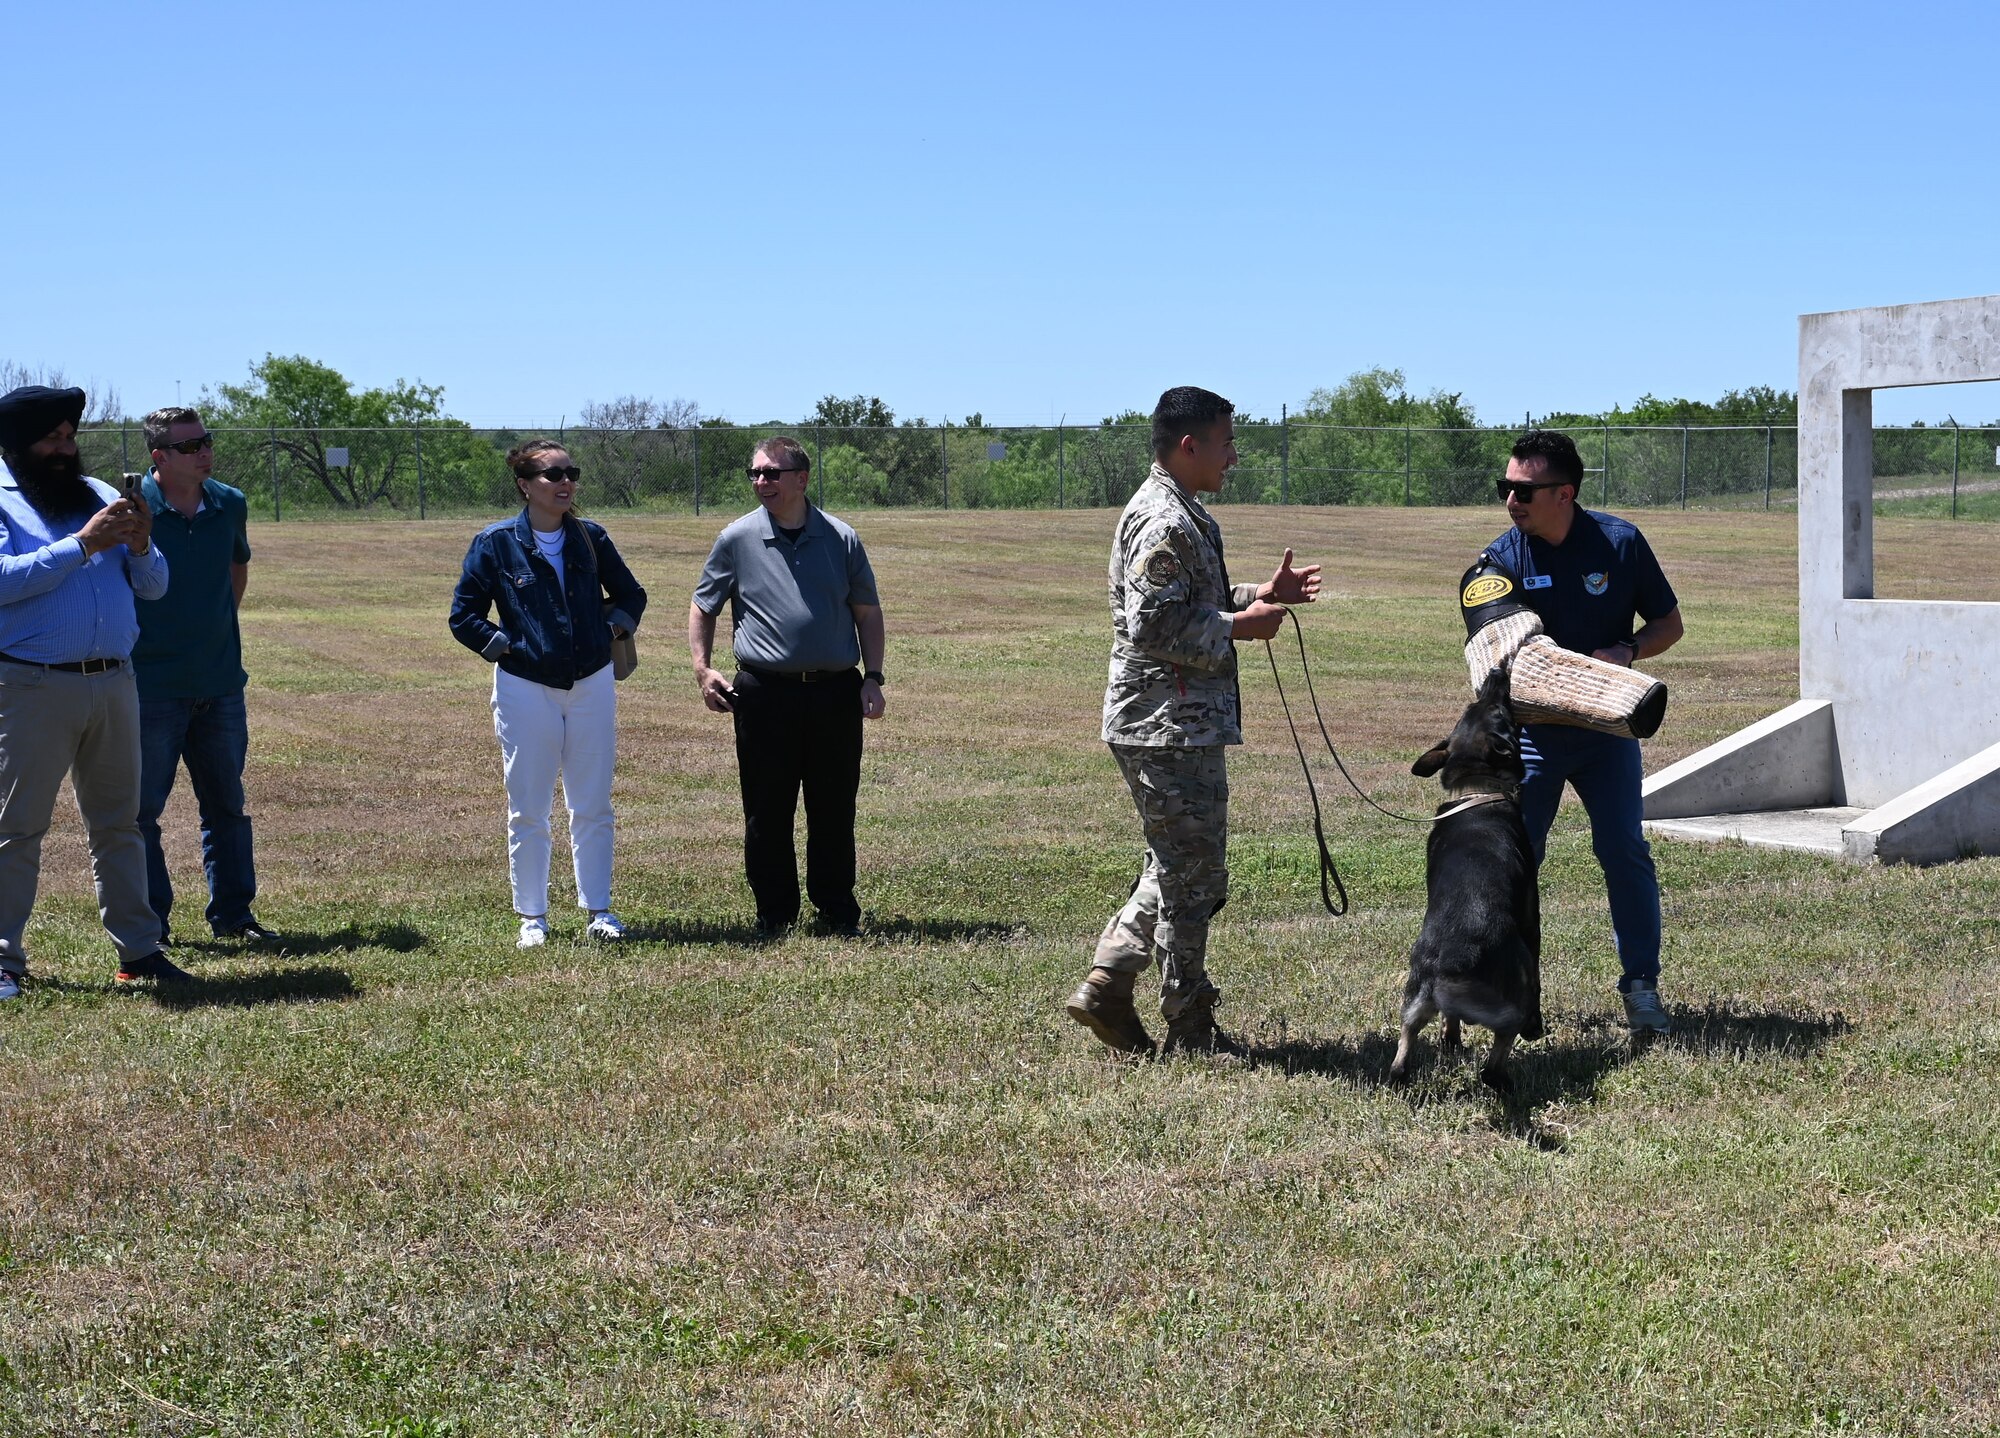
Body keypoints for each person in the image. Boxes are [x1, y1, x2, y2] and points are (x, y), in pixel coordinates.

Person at [1067, 386, 1322, 1058]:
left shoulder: (1182, 511)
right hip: (1166, 723)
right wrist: (1240, 627)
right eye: (1226, 441)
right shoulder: (1165, 521)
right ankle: (1189, 1023)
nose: (1233, 456)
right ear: (1190, 445)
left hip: (1173, 720)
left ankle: (1109, 984)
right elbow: (1154, 623)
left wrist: (1259, 597)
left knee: (1179, 863)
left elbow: (1190, 599)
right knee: (1194, 877)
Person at [1482, 429, 1684, 1035]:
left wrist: (1628, 650)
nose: (1511, 501)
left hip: (1607, 733)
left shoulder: (1618, 543)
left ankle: (1641, 989)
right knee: (1516, 862)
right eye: (1505, 488)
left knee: (1624, 852)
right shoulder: (1501, 560)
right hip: (1534, 737)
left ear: (1565, 493)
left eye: (1524, 490)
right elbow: (1492, 647)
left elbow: (1669, 624)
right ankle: (1507, 993)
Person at [0, 384, 187, 998]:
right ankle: (4, 959)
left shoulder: (102, 494)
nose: (65, 448)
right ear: (16, 442)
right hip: (31, 684)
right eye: (51, 438)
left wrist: (138, 544)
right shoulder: (6, 502)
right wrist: (83, 544)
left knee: (120, 824)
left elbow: (155, 586)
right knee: (17, 828)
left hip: (113, 681)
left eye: (69, 435)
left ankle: (139, 951)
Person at [449, 439, 647, 949]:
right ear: (524, 485)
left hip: (592, 683)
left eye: (570, 473)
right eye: (551, 475)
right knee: (529, 806)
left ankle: (599, 911)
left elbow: (631, 594)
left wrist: (614, 630)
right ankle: (532, 917)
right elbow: (463, 616)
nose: (565, 483)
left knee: (593, 802)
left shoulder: (590, 538)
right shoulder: (494, 542)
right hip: (525, 686)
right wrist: (506, 648)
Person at [688, 437, 886, 936]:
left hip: (835, 692)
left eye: (772, 473)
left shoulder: (841, 539)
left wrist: (874, 677)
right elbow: (703, 605)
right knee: (767, 808)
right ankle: (774, 914)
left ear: (801, 478)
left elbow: (867, 612)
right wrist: (702, 667)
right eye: (754, 473)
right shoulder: (736, 538)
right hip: (763, 694)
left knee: (834, 807)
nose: (761, 482)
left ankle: (836, 911)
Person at [130, 406, 273, 946]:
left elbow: (237, 570)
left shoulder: (229, 504)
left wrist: (214, 630)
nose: (204, 452)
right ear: (159, 457)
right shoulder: (133, 508)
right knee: (142, 814)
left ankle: (235, 917)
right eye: (190, 447)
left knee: (227, 808)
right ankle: (152, 925)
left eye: (206, 441)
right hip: (150, 688)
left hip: (219, 684)